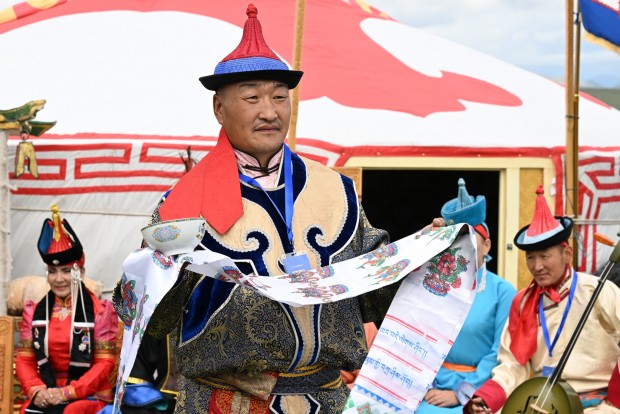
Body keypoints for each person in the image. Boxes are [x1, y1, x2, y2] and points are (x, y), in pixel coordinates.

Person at [113, 4, 396, 413]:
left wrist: (435, 251)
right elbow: (143, 316)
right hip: (224, 402)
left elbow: (379, 292)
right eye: (252, 98)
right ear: (219, 109)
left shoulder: (336, 190)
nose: (269, 111)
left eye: (280, 97)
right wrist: (159, 267)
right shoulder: (186, 201)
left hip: (325, 399)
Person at [465, 186, 620, 413]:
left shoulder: (598, 291)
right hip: (540, 401)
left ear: (567, 254)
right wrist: (487, 398)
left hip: (597, 402)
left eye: (545, 256)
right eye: (531, 257)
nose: (537, 266)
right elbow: (513, 364)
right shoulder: (523, 302)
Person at [416, 179, 516, 413]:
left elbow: (499, 352)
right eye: (457, 242)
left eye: (470, 241)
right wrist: (425, 386)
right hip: (431, 388)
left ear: (487, 245)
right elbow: (422, 339)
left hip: (478, 392)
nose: (462, 249)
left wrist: (461, 394)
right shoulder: (435, 286)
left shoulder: (503, 292)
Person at [15, 205, 118, 414]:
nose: (59, 279)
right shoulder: (35, 312)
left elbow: (104, 364)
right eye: (52, 271)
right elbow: (25, 360)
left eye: (66, 270)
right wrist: (37, 391)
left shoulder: (100, 311)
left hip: (89, 394)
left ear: (81, 272)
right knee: (29, 410)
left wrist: (68, 392)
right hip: (47, 392)